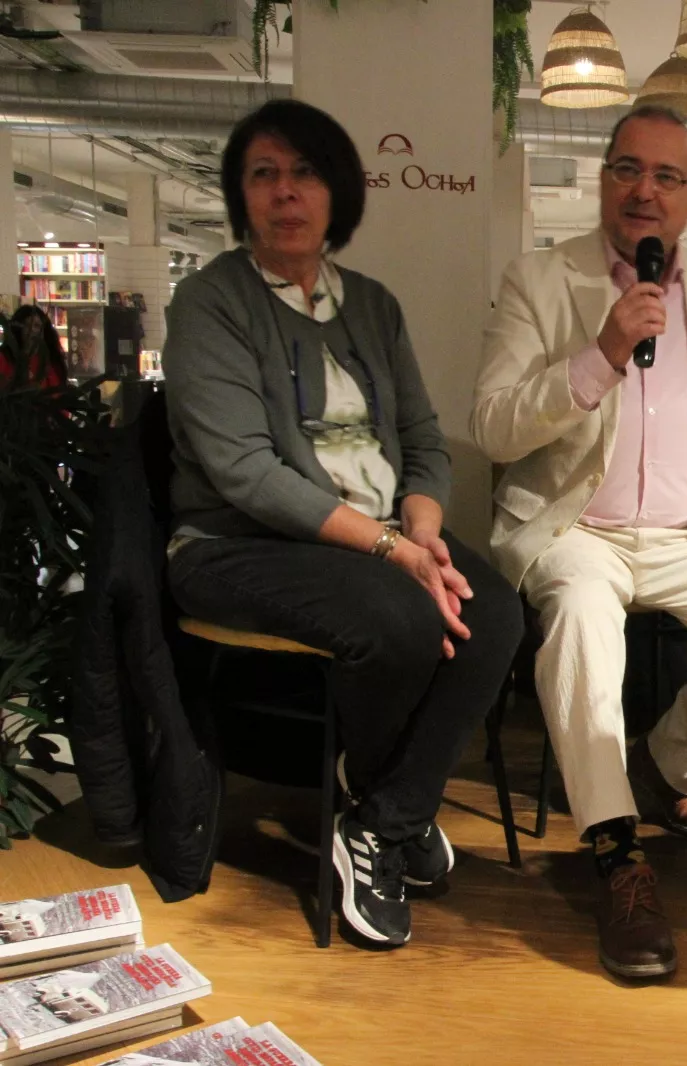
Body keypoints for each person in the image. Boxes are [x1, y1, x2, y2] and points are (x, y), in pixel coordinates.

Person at [162, 99, 523, 949]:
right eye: (264, 174)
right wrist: (393, 548)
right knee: (396, 617)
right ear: (240, 194)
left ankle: (380, 820)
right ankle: (391, 805)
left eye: (306, 172)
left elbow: (425, 442)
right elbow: (245, 474)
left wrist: (425, 530)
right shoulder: (210, 304)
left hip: (375, 534)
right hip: (234, 544)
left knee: (497, 612)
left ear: (338, 194)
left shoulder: (372, 305)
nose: (286, 193)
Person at [473, 105, 687, 981]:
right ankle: (618, 854)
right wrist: (602, 353)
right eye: (626, 170)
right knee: (582, 619)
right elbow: (494, 426)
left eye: (664, 176)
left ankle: (664, 766)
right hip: (577, 527)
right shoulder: (539, 280)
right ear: (603, 180)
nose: (642, 191)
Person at [1, 305, 69, 389]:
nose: (32, 330)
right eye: (26, 325)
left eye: (37, 326)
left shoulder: (52, 360)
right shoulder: (5, 357)